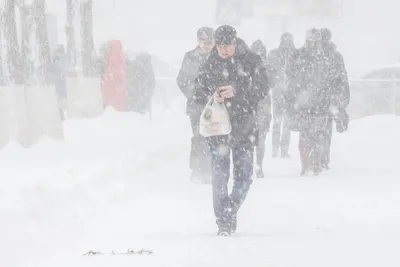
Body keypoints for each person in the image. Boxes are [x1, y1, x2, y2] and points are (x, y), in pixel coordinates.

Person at [194, 25, 269, 236]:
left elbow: (262, 88)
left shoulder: (252, 61)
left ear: (235, 43)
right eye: (220, 47)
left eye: (227, 46)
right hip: (218, 129)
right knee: (219, 177)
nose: (224, 51)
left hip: (244, 127)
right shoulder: (211, 62)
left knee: (244, 177)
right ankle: (224, 222)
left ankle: (228, 212)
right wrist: (213, 95)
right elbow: (198, 90)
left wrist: (236, 90)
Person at [285, 29, 336, 176]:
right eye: (312, 39)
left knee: (314, 134)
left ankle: (313, 164)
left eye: (316, 39)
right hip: (306, 102)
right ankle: (309, 165)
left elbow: (329, 79)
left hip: (316, 102)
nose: (314, 42)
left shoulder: (323, 57)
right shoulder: (303, 55)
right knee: (308, 134)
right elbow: (290, 78)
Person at [177, 26, 215, 183]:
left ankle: (210, 169)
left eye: (209, 42)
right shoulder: (190, 57)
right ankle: (197, 169)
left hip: (215, 105)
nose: (207, 45)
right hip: (196, 105)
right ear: (198, 41)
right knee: (198, 137)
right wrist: (193, 93)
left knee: (212, 136)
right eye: (204, 42)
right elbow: (182, 80)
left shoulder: (218, 57)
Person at [320, 28, 350, 169]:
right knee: (325, 130)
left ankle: (318, 158)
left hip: (319, 97)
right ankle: (322, 158)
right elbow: (342, 77)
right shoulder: (336, 56)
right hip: (328, 97)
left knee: (317, 129)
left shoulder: (315, 54)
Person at [268, 33, 296, 158]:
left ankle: (278, 150)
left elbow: (269, 72)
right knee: (283, 123)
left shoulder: (275, 54)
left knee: (280, 123)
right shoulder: (295, 55)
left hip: (282, 93)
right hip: (284, 93)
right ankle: (281, 150)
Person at [250, 40, 272, 178]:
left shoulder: (245, 65)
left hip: (249, 105)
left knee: (249, 138)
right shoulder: (267, 67)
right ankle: (258, 165)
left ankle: (253, 165)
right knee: (261, 138)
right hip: (262, 105)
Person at [49, 44, 69, 121]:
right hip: (62, 84)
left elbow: (55, 70)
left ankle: (61, 117)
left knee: (57, 103)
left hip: (58, 85)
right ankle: (62, 116)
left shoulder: (57, 59)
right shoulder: (65, 58)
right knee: (60, 103)